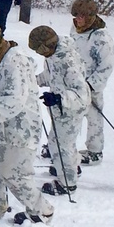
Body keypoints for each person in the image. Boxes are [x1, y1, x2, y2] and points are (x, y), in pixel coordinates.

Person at [0, 21, 54, 225]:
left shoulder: (15, 63)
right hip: (7, 128)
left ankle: (42, 211)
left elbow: (16, 98)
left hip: (21, 130)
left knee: (16, 174)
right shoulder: (6, 58)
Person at [28, 25, 89, 195]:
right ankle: (71, 167)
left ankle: (67, 183)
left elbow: (81, 94)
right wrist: (33, 81)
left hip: (70, 110)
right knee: (63, 143)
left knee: (60, 145)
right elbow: (50, 75)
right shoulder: (54, 55)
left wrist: (58, 98)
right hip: (61, 110)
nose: (39, 54)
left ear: (45, 47)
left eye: (39, 51)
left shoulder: (68, 63)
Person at [70, 0, 114, 165]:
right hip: (74, 82)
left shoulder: (101, 37)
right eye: (76, 16)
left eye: (82, 16)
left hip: (91, 85)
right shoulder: (75, 29)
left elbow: (106, 66)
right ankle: (63, 147)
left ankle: (95, 151)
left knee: (94, 116)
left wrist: (91, 85)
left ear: (90, 17)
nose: (78, 19)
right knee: (68, 114)